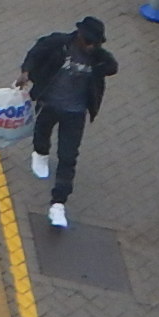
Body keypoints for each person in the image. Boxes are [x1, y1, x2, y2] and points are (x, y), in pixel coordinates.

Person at [18, 17, 117, 229]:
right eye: (88, 42)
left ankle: (58, 204)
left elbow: (112, 67)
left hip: (75, 113)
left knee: (68, 156)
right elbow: (36, 52)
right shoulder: (59, 43)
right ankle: (40, 153)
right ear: (79, 35)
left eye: (95, 43)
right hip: (49, 103)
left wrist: (99, 57)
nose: (90, 47)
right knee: (42, 132)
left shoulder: (97, 57)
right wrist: (26, 72)